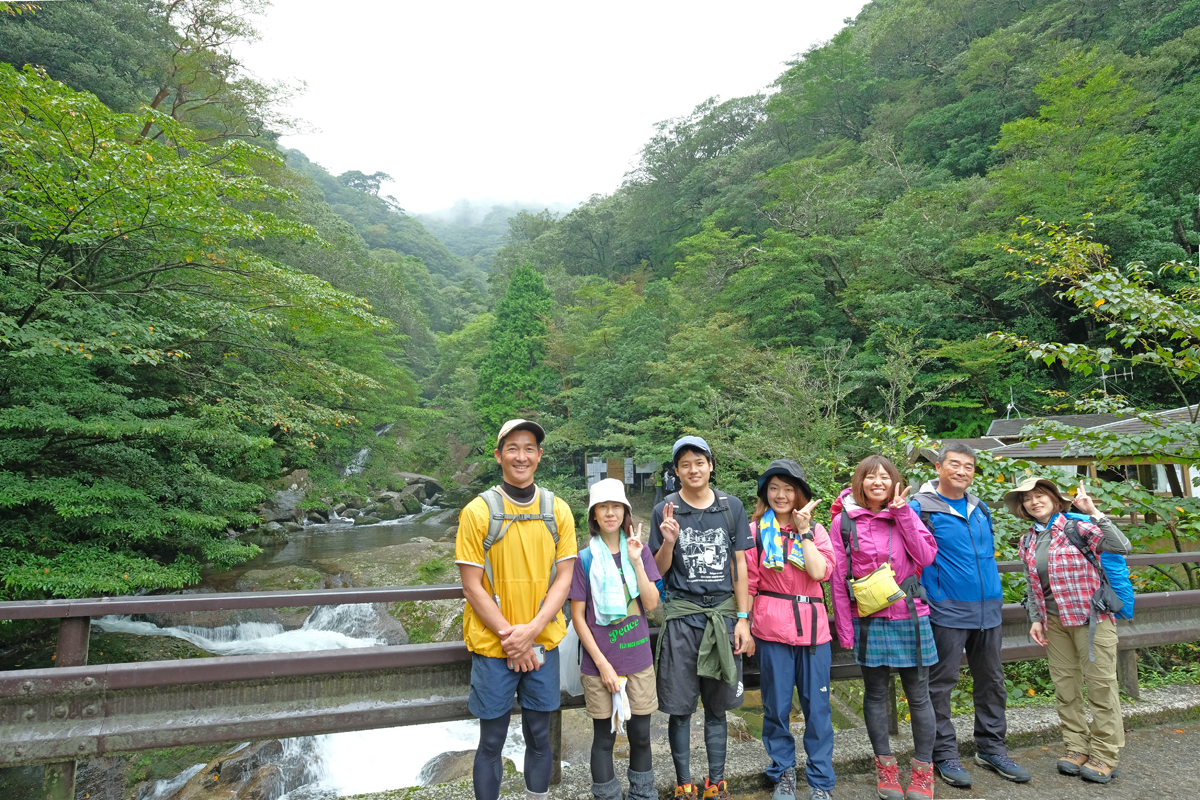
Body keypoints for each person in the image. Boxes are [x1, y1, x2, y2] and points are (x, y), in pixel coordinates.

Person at [455, 419, 578, 800]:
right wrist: (514, 638)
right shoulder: (477, 512)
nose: (521, 456)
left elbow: (565, 578)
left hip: (540, 644)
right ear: (498, 455)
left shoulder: (558, 510)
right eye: (512, 448)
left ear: (539, 456)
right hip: (495, 647)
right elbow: (471, 585)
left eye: (529, 448)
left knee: (540, 736)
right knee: (491, 741)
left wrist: (530, 632)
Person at [911, 443, 1031, 788]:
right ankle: (944, 753)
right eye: (955, 465)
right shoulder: (922, 508)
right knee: (940, 685)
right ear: (938, 467)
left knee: (992, 682)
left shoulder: (979, 508)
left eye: (969, 467)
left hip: (988, 609)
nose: (962, 471)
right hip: (946, 610)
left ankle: (992, 748)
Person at [1006, 477, 1132, 784]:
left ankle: (1105, 753)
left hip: (1092, 619)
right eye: (1027, 499)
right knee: (1066, 687)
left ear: (1053, 498)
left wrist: (1094, 513)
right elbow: (1033, 585)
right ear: (1022, 507)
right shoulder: (1028, 539)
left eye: (1040, 495)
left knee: (1101, 686)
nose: (1034, 502)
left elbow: (1121, 546)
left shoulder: (1078, 527)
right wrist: (1035, 618)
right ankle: (1076, 747)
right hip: (1055, 622)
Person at [650, 435, 754, 800]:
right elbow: (657, 572)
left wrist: (743, 619)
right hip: (681, 618)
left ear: (710, 465)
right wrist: (668, 542)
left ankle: (716, 782)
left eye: (699, 462)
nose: (693, 469)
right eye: (684, 464)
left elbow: (740, 565)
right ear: (676, 471)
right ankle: (683, 783)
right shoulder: (666, 509)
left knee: (718, 705)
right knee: (680, 708)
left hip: (722, 618)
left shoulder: (731, 507)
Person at [830, 456, 939, 800]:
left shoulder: (907, 513)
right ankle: (886, 768)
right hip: (870, 617)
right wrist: (845, 630)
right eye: (870, 477)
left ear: (895, 481)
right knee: (875, 693)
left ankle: (923, 771)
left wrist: (903, 514)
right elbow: (837, 579)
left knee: (919, 696)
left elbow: (926, 556)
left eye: (884, 477)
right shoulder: (843, 522)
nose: (877, 482)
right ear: (859, 482)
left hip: (911, 613)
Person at [746, 459, 837, 800]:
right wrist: (745, 625)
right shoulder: (755, 533)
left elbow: (820, 573)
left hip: (813, 629)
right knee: (776, 706)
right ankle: (783, 772)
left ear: (799, 493)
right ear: (764, 493)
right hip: (771, 629)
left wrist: (805, 533)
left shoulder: (817, 531)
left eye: (788, 488)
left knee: (818, 708)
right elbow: (750, 583)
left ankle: (820, 780)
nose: (781, 495)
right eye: (773, 488)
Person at [569, 478, 662, 800]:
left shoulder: (640, 551)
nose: (610, 513)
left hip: (638, 660)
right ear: (594, 515)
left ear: (625, 512)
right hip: (599, 665)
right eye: (603, 507)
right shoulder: (584, 559)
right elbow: (579, 618)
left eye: (616, 507)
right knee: (604, 739)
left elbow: (650, 605)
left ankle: (642, 795)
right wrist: (603, 666)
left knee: (640, 736)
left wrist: (636, 562)